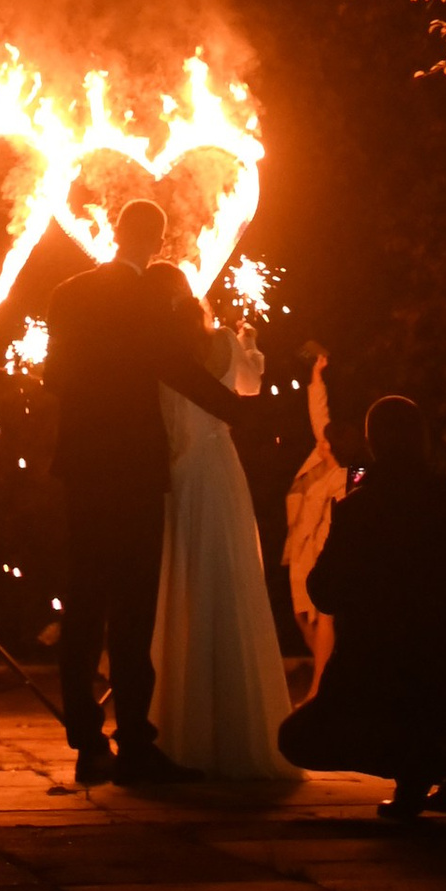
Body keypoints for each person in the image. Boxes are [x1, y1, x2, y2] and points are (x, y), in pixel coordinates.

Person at [43, 195, 244, 788]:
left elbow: (52, 375)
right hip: (132, 465)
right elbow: (174, 367)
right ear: (155, 243)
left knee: (83, 605)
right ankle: (134, 742)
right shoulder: (149, 299)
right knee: (132, 609)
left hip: (83, 467)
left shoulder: (69, 294)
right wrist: (241, 413)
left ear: (112, 232)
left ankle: (86, 743)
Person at [279, 394, 446, 823]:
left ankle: (415, 770)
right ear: (424, 441)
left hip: (389, 672)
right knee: (436, 668)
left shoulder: (360, 508)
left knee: (297, 738)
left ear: (374, 447)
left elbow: (324, 592)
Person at [151, 274, 290, 779]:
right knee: (231, 575)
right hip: (220, 464)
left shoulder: (159, 353)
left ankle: (183, 726)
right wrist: (250, 340)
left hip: (181, 472)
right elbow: (250, 386)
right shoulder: (224, 342)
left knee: (187, 581)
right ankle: (240, 720)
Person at [282, 350, 349, 699]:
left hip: (319, 552)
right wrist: (316, 377)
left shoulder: (342, 477)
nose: (320, 440)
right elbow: (318, 415)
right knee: (302, 618)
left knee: (322, 618)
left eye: (325, 440)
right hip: (301, 550)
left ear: (332, 447)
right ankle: (330, 677)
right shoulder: (319, 461)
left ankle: (323, 686)